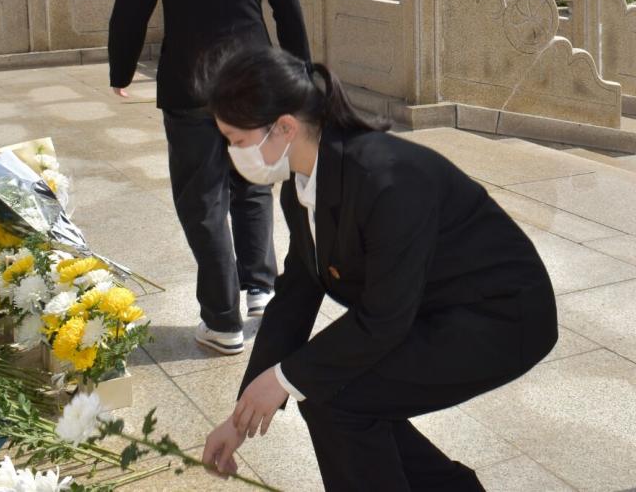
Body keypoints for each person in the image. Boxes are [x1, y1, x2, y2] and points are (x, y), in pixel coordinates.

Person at [197, 42, 557, 491]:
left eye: (237, 141)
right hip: (429, 308)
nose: (232, 153)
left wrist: (285, 378)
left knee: (333, 395)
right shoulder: (302, 185)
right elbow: (296, 294)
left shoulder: (385, 179)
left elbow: (383, 319)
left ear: (284, 127)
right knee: (331, 392)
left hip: (502, 316)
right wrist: (244, 413)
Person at [108, 0, 310, 356]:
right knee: (253, 183)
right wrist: (300, 77)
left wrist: (121, 70)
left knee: (202, 201)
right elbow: (287, 10)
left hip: (190, 83)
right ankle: (261, 290)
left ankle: (222, 321)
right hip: (254, 81)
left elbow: (131, 8)